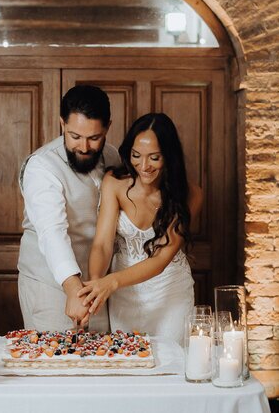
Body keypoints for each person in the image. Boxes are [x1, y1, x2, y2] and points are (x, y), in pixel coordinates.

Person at [77, 112, 202, 343]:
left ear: (169, 156)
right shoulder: (114, 182)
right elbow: (103, 244)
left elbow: (160, 259)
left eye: (154, 158)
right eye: (136, 155)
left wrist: (110, 282)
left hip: (169, 290)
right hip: (124, 293)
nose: (143, 166)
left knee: (171, 363)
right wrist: (97, 286)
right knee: (129, 364)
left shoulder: (191, 194)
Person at [17, 85, 120, 332]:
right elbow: (52, 233)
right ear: (62, 124)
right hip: (51, 285)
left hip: (99, 285)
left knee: (101, 364)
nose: (84, 147)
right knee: (55, 365)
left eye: (94, 138)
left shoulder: (114, 157)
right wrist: (74, 289)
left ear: (107, 127)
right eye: (75, 136)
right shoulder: (42, 166)